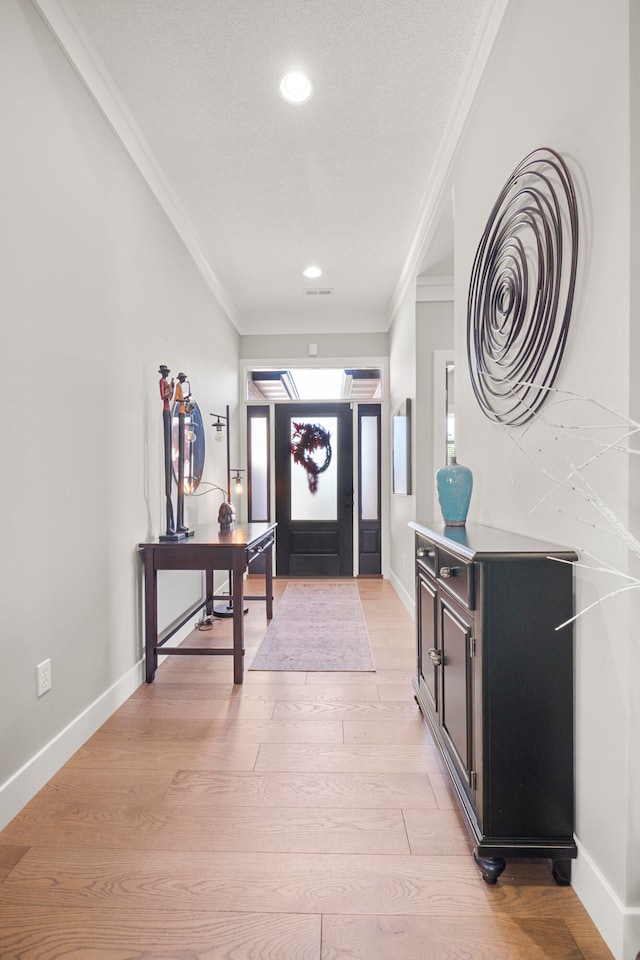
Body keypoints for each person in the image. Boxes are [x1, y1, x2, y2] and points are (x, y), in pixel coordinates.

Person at [158, 365, 175, 537]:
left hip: (169, 411)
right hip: (165, 411)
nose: (166, 375)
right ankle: (169, 525)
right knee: (167, 488)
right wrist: (169, 388)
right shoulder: (161, 381)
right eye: (165, 373)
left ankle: (173, 524)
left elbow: (169, 396)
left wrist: (172, 389)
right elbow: (163, 396)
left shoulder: (166, 382)